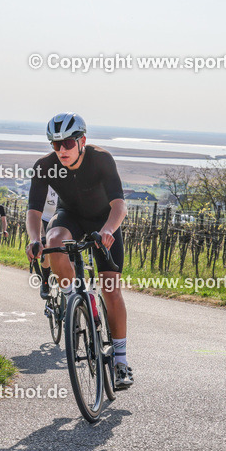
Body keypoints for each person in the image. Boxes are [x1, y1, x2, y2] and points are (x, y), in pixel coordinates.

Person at [25, 112, 133, 388]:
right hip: (70, 216)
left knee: (110, 289)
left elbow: (119, 205)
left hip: (104, 222)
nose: (62, 150)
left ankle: (120, 361)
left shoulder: (101, 159)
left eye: (68, 143)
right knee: (53, 241)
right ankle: (73, 299)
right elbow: (34, 211)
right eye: (55, 144)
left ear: (82, 140)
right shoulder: (44, 166)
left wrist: (108, 230)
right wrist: (34, 238)